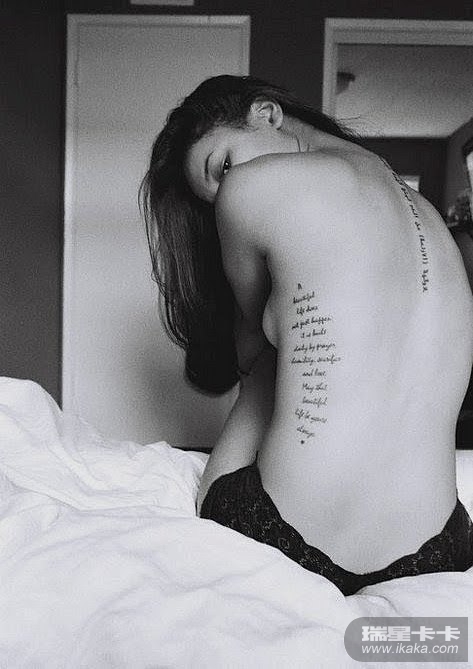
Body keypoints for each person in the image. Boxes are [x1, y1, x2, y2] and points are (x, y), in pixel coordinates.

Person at [140, 75, 473, 595]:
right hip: (440, 547)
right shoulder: (431, 216)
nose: (226, 192)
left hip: (285, 531)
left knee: (265, 357)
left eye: (222, 166)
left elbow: (251, 358)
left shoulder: (250, 188)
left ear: (266, 113)